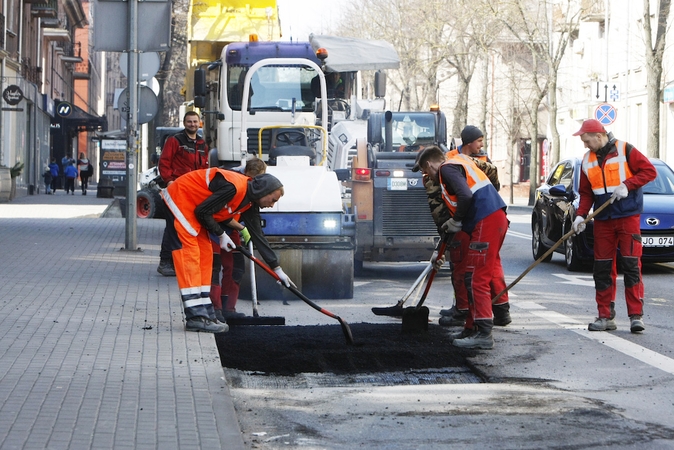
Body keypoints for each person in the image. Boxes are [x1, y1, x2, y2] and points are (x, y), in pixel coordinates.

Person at [161, 169, 294, 333]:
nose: (272, 204)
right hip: (180, 201)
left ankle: (205, 313)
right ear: (263, 191)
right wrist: (221, 234)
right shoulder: (234, 187)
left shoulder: (250, 201)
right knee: (191, 257)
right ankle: (195, 317)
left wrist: (277, 269)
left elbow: (258, 236)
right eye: (272, 199)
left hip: (193, 209)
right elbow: (202, 211)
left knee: (205, 257)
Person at [416, 145, 509, 349]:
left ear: (431, 163)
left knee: (477, 277)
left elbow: (466, 197)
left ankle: (484, 334)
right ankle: (472, 327)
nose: (427, 176)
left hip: (487, 219)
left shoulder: (446, 169)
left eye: (426, 171)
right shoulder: (460, 162)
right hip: (489, 218)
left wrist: (457, 220)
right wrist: (441, 248)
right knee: (471, 274)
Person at [571, 119, 656, 333]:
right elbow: (586, 193)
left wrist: (627, 185)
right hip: (603, 221)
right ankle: (605, 316)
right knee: (602, 268)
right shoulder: (586, 160)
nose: (585, 145)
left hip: (627, 217)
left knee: (631, 265)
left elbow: (649, 172)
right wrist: (581, 216)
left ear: (598, 136)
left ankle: (636, 316)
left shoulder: (625, 150)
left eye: (586, 140)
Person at [209, 157, 267, 322]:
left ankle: (229, 307)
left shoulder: (254, 188)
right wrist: (241, 228)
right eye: (252, 178)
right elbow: (218, 213)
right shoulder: (230, 181)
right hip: (212, 227)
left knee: (235, 266)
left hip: (231, 227)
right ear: (247, 173)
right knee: (215, 266)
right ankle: (215, 307)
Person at [156, 111, 209, 276]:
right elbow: (164, 162)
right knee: (173, 226)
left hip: (193, 192)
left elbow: (204, 170)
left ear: (199, 123)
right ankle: (166, 262)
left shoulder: (202, 144)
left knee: (186, 228)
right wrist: (170, 181)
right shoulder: (175, 141)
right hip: (176, 191)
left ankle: (180, 263)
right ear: (184, 123)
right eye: (189, 121)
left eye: (195, 121)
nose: (192, 124)